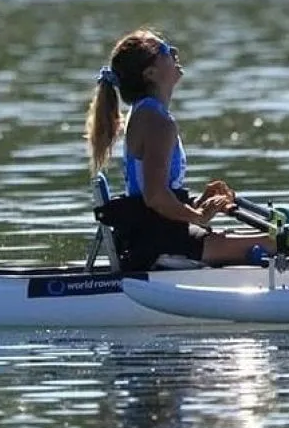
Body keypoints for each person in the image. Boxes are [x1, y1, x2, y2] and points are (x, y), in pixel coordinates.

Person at [85, 28, 275, 271]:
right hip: (162, 240)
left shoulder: (146, 113)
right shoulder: (156, 122)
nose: (174, 52)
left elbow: (152, 195)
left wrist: (199, 203)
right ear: (151, 73)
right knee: (278, 243)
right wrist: (198, 217)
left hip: (159, 231)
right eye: (165, 50)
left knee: (272, 239)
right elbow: (155, 197)